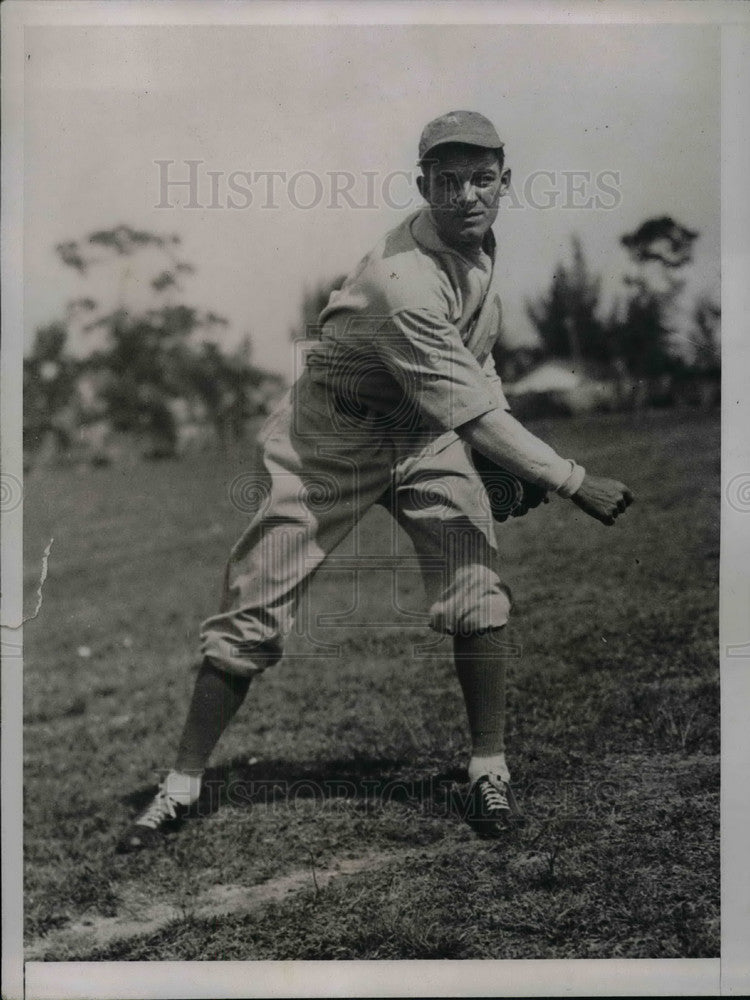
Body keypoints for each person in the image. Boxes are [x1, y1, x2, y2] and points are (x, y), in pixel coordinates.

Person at [117, 110, 633, 852]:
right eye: (447, 181)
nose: (466, 196)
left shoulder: (483, 253)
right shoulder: (402, 279)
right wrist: (572, 478)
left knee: (476, 584)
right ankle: (180, 788)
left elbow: (475, 365)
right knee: (255, 606)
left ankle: (489, 769)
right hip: (331, 436)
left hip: (422, 433)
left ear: (504, 182)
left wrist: (490, 462)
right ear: (423, 185)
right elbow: (474, 408)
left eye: (481, 179)